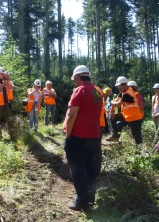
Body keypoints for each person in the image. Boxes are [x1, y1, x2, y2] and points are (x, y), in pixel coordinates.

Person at [63, 65, 102, 211]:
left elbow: (72, 115)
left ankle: (81, 201)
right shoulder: (97, 91)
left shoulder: (80, 90)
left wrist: (68, 135)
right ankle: (90, 198)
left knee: (77, 168)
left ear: (78, 78)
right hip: (94, 135)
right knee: (90, 166)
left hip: (78, 136)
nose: (75, 83)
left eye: (75, 80)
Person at [106, 76, 143, 145]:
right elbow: (116, 100)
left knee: (136, 135)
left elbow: (117, 104)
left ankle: (141, 150)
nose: (119, 89)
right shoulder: (122, 92)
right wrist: (112, 112)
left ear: (125, 85)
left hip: (134, 117)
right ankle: (115, 135)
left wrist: (111, 102)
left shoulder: (128, 94)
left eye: (120, 87)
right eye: (118, 88)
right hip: (126, 115)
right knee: (112, 117)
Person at [0, 67, 15, 141]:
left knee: (9, 118)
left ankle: (12, 134)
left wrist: (6, 84)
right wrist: (3, 84)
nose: (4, 75)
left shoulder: (4, 81)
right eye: (2, 73)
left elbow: (11, 88)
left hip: (5, 103)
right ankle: (0, 135)